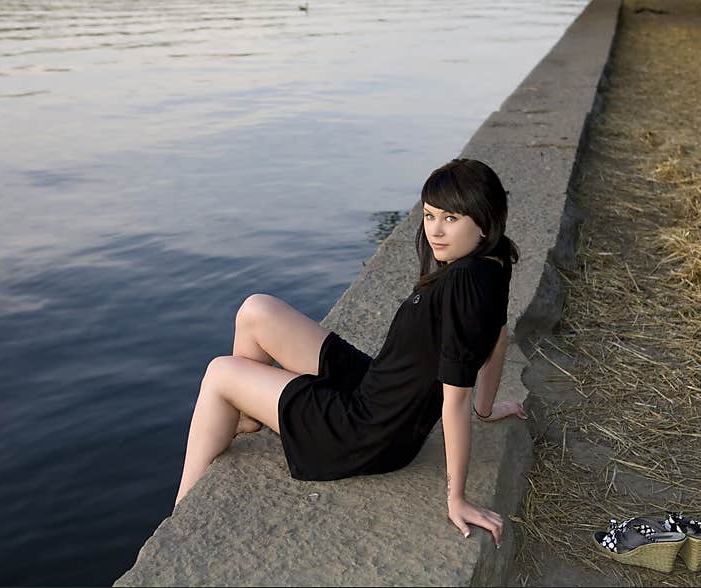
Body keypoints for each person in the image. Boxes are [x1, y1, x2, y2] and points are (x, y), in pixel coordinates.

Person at [174, 158, 527, 548]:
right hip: (374, 385)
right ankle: (245, 416)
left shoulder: (464, 283)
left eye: (451, 218)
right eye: (429, 216)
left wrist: (455, 498)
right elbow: (499, 336)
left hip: (365, 431)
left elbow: (454, 396)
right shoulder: (493, 261)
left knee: (220, 372)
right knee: (257, 310)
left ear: (484, 219)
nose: (435, 231)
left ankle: (180, 517)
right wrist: (487, 408)